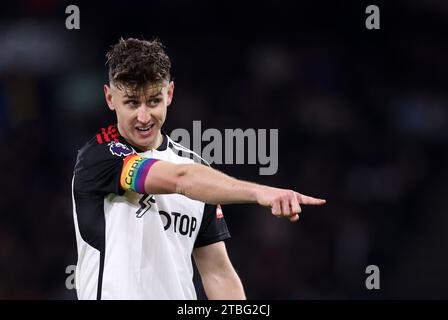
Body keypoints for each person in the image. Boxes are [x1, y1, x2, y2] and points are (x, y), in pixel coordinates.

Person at [71, 37, 326, 300]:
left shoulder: (196, 168)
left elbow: (218, 272)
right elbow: (181, 180)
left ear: (169, 94)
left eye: (154, 101)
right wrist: (259, 193)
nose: (144, 117)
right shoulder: (100, 156)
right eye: (133, 103)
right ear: (110, 98)